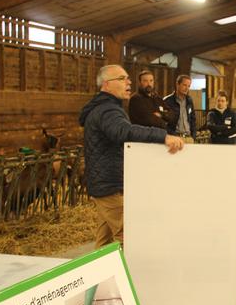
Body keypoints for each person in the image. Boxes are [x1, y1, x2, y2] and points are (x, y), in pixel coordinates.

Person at [79, 65, 184, 249]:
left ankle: (100, 276)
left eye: (127, 78)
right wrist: (163, 136)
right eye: (121, 78)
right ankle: (132, 276)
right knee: (129, 236)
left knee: (104, 241)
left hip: (106, 181)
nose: (128, 82)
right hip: (109, 184)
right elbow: (124, 131)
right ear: (106, 84)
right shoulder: (107, 110)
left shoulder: (107, 107)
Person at [163, 74, 197, 143]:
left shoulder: (189, 100)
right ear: (177, 84)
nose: (187, 88)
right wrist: (172, 134)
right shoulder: (167, 101)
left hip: (189, 138)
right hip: (175, 138)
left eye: (188, 86)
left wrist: (193, 136)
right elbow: (163, 122)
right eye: (184, 85)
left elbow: (193, 120)